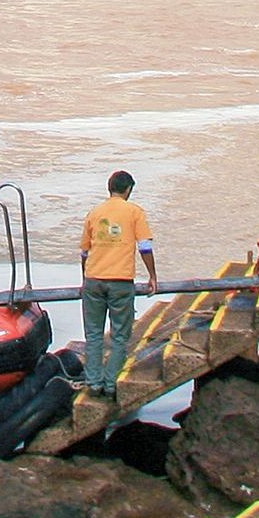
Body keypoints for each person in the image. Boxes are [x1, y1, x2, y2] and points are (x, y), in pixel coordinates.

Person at [77, 171, 157, 399]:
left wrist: (85, 278)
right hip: (121, 282)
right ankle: (110, 384)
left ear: (109, 188)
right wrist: (152, 276)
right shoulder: (134, 212)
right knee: (120, 336)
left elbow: (84, 251)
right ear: (128, 189)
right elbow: (144, 247)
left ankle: (93, 383)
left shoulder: (94, 213)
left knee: (93, 335)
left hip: (93, 280)